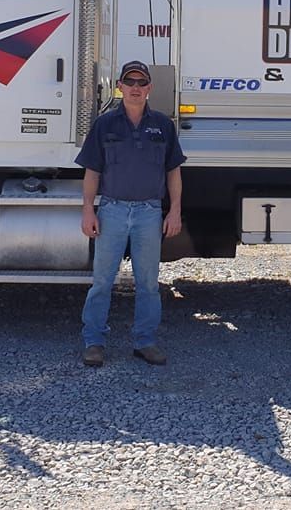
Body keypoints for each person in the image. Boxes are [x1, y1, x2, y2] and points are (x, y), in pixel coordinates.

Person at [76, 60, 186, 367]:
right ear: (120, 87)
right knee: (102, 281)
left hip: (149, 213)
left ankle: (145, 342)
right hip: (112, 209)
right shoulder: (104, 124)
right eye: (130, 82)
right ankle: (94, 342)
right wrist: (88, 211)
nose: (136, 87)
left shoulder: (163, 126)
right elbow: (92, 172)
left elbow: (173, 173)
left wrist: (174, 211)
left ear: (149, 88)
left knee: (149, 282)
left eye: (141, 82)